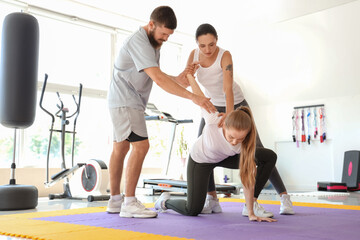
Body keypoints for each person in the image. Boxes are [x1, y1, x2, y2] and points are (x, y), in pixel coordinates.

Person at [106, 6, 216, 219]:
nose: (165, 38)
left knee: (120, 148)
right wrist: (194, 97)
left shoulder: (152, 43)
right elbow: (157, 78)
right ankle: (129, 202)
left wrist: (182, 77)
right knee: (141, 146)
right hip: (126, 101)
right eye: (163, 33)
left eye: (169, 35)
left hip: (123, 101)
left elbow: (159, 75)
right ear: (151, 24)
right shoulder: (138, 41)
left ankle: (115, 200)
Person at [186, 23, 294, 216]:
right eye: (203, 46)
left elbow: (227, 88)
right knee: (205, 149)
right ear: (197, 44)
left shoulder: (224, 55)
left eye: (211, 44)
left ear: (217, 40)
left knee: (258, 151)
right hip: (211, 106)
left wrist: (230, 116)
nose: (207, 50)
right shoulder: (193, 56)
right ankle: (212, 200)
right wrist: (188, 73)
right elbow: (183, 81)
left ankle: (283, 197)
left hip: (235, 104)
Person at [154, 74, 277, 222]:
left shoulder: (246, 143)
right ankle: (164, 201)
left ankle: (252, 204)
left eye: (240, 139)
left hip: (224, 158)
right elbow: (199, 96)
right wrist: (190, 77)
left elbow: (247, 178)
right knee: (192, 209)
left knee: (267, 155)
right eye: (231, 137)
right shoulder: (214, 119)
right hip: (201, 160)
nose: (234, 142)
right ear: (225, 124)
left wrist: (251, 213)